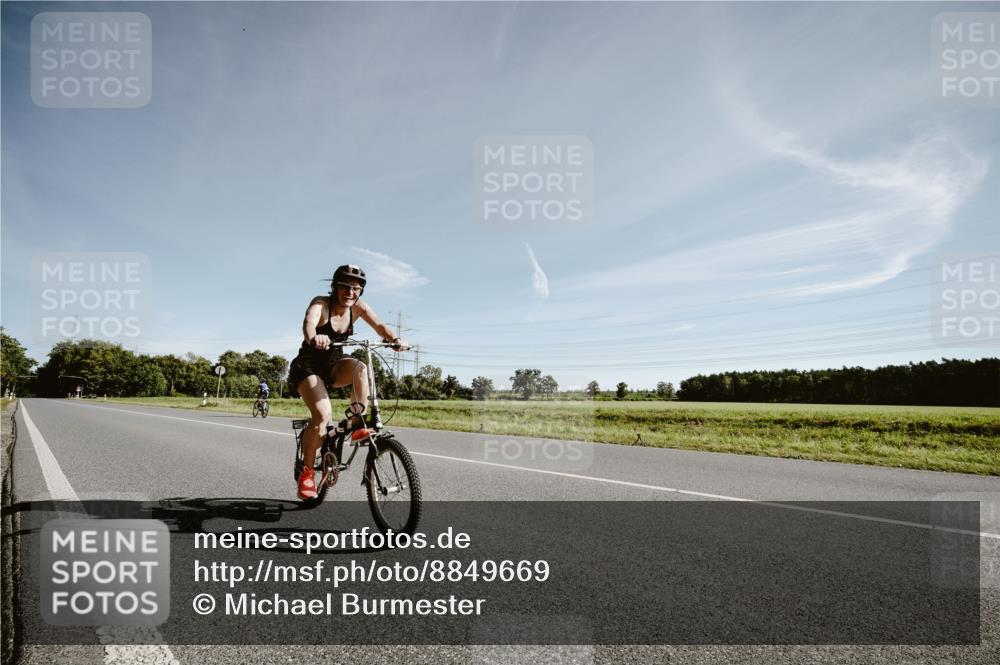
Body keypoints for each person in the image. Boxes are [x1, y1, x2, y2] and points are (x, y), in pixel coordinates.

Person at [288, 264, 408, 499]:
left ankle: (357, 420)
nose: (351, 293)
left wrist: (395, 339)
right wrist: (315, 337)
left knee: (359, 368)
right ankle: (307, 474)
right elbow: (309, 323)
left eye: (356, 288)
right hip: (308, 367)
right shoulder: (322, 303)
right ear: (334, 288)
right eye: (345, 287)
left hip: (333, 366)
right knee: (322, 417)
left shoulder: (359, 307)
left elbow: (380, 326)